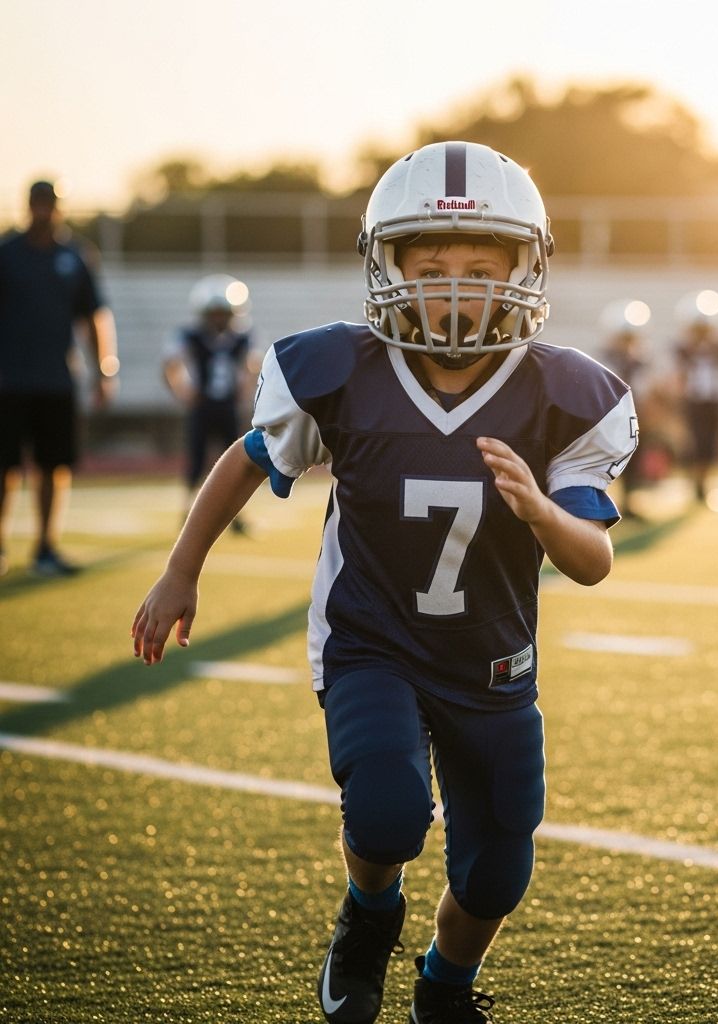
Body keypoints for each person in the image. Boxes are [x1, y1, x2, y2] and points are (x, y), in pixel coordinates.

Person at [130, 141, 638, 1024]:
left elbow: (591, 560)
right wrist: (182, 568)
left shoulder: (565, 393)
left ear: (524, 269)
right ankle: (368, 915)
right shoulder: (339, 372)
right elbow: (248, 461)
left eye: (480, 268)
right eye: (430, 266)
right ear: (387, 268)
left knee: (497, 868)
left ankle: (444, 984)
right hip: (372, 640)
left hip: (492, 659)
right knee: (387, 809)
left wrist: (542, 512)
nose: (452, 289)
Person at [0, 179, 118, 577]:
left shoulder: (74, 256)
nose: (43, 211)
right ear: (28, 206)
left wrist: (103, 367)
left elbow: (94, 316)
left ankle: (45, 546)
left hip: (56, 378)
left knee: (54, 465)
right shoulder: (7, 253)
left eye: (49, 204)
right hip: (8, 379)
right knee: (6, 466)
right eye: (37, 203)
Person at [163, 274, 259, 529]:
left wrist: (246, 388)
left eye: (223, 312)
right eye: (214, 313)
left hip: (227, 406)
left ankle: (236, 516)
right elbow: (170, 364)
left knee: (238, 463)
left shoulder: (242, 337)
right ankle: (187, 512)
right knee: (196, 462)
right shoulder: (191, 336)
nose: (218, 318)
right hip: (202, 406)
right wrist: (182, 391)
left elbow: (253, 365)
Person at [674, 289, 718, 505]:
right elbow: (680, 376)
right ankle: (696, 485)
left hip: (714, 400)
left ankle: (704, 483)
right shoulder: (684, 348)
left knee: (711, 444)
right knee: (695, 443)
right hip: (693, 401)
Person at [598, 299, 649, 517]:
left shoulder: (640, 361)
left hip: (634, 418)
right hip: (611, 418)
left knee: (634, 461)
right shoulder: (605, 359)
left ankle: (629, 501)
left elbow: (646, 388)